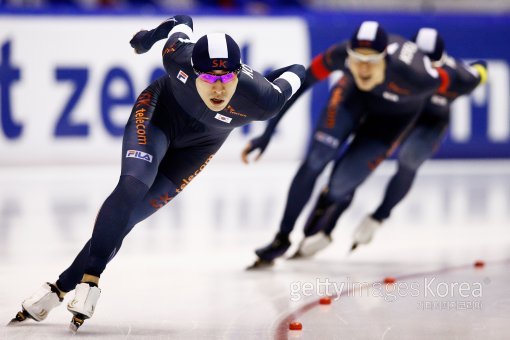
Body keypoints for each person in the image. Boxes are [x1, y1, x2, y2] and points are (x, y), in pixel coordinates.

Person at [9, 14, 305, 331]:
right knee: (133, 185)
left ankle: (58, 289)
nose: (218, 90)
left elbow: (299, 71)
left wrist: (265, 81)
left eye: (226, 80)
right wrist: (148, 38)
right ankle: (91, 280)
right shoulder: (178, 56)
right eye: (207, 80)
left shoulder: (265, 100)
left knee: (131, 215)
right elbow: (182, 20)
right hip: (157, 118)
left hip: (200, 146)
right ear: (192, 72)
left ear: (237, 75)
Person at [242, 21, 451, 268]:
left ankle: (330, 204)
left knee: (341, 184)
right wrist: (267, 132)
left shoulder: (420, 77)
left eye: (370, 62)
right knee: (317, 158)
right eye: (357, 60)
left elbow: (455, 90)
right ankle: (282, 237)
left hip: (390, 122)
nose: (362, 68)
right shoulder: (339, 54)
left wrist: (380, 215)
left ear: (384, 58)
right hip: (351, 100)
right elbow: (300, 83)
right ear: (348, 55)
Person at [289, 27, 488, 257]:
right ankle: (327, 227)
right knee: (353, 169)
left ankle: (379, 216)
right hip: (396, 115)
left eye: (430, 66)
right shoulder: (400, 68)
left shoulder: (458, 77)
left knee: (410, 160)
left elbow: (481, 69)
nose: (423, 71)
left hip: (428, 122)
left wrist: (378, 216)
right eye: (419, 62)